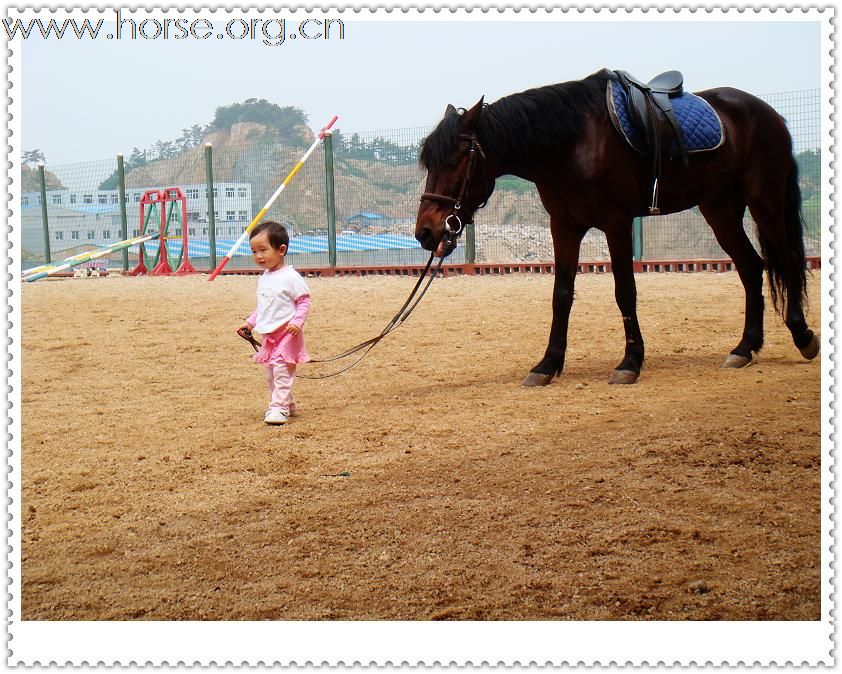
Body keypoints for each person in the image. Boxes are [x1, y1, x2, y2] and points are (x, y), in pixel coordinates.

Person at [238, 221, 310, 425]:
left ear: (281, 250)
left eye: (263, 250)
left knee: (281, 370)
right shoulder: (265, 278)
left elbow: (304, 301)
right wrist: (250, 323)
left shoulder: (291, 277)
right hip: (268, 336)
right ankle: (287, 404)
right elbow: (264, 306)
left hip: (287, 334)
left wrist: (297, 322)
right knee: (270, 375)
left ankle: (279, 408)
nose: (258, 256)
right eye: (254, 251)